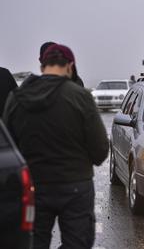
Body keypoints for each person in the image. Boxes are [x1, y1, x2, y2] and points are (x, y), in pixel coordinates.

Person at [3, 44, 109, 249]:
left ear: (42, 66)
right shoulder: (80, 96)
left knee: (34, 242)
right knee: (77, 243)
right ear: (70, 66)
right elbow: (100, 152)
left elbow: (9, 146)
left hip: (33, 187)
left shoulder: (17, 98)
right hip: (75, 186)